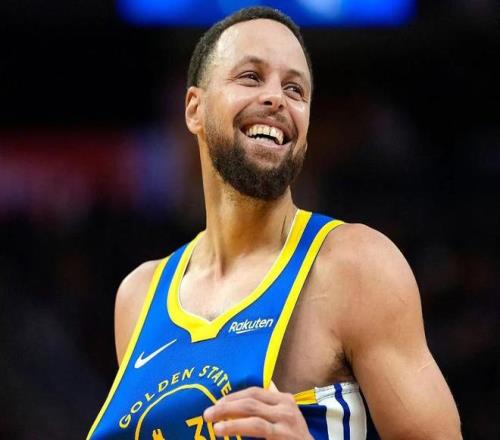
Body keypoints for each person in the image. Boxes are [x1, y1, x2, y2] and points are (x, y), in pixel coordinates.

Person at [87, 6, 461, 440]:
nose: (276, 98)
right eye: (251, 77)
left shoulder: (356, 267)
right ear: (194, 109)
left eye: (295, 89)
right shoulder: (138, 297)